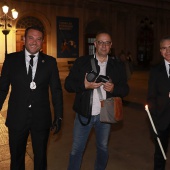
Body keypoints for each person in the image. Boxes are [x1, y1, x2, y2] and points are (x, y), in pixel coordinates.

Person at [0, 25, 63, 170]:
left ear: (42, 42)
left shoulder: (50, 62)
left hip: (41, 119)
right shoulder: (11, 60)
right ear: (24, 39)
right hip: (17, 118)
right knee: (16, 159)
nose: (34, 42)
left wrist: (59, 116)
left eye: (39, 39)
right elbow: (2, 89)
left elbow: (56, 91)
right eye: (31, 38)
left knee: (40, 159)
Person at [65, 31, 129, 170]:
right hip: (84, 113)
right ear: (95, 44)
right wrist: (84, 86)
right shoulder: (82, 62)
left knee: (103, 148)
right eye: (101, 42)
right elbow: (68, 85)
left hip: (105, 115)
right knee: (76, 150)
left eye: (107, 43)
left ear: (111, 45)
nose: (104, 46)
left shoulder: (117, 65)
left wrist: (113, 89)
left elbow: (125, 90)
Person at [147, 36, 170, 170]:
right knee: (160, 154)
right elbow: (151, 98)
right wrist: (154, 122)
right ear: (160, 51)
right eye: (164, 48)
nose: (167, 51)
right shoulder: (155, 70)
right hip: (162, 119)